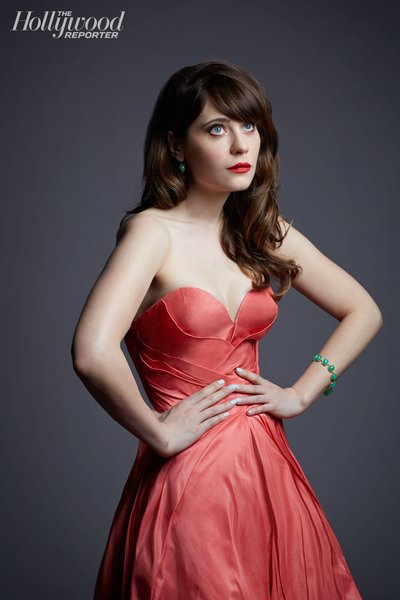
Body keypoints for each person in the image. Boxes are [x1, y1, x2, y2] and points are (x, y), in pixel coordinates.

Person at [71, 59, 382, 599]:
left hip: (268, 468)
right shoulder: (152, 233)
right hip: (192, 476)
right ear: (176, 144)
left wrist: (301, 392)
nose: (241, 145)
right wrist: (158, 431)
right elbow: (91, 351)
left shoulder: (262, 231)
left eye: (249, 126)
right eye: (216, 129)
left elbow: (363, 310)